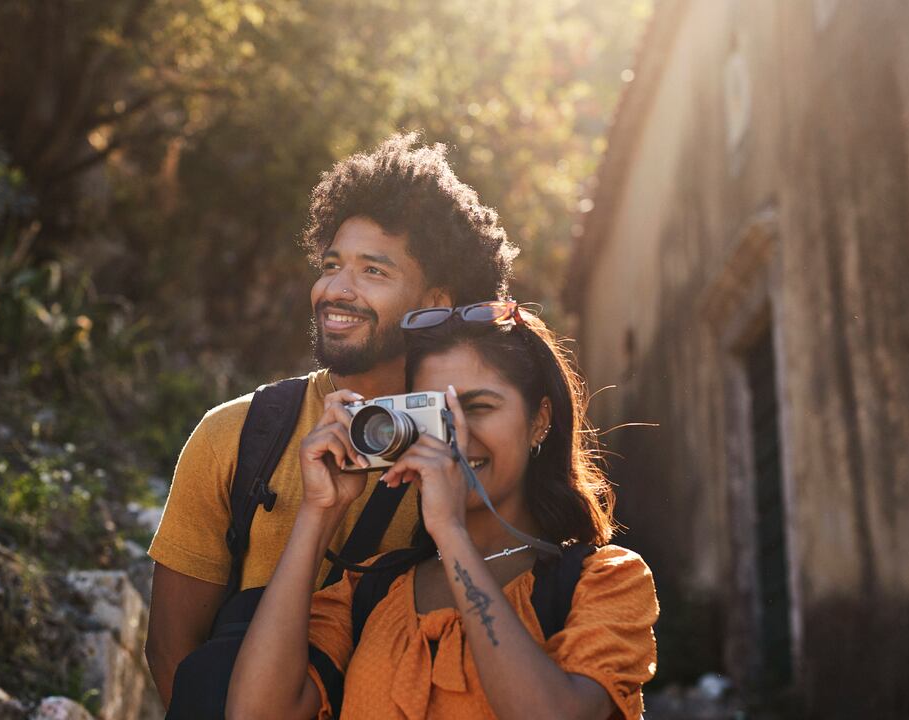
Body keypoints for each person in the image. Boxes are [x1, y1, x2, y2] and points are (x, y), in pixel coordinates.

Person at [145, 133, 520, 707]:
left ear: (437, 303)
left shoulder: (477, 451)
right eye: (331, 265)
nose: (334, 290)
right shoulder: (236, 436)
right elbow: (172, 653)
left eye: (373, 271)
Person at [228, 302, 659, 719]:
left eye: (477, 408)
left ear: (539, 421)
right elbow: (254, 713)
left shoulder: (606, 581)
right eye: (435, 416)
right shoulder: (369, 590)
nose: (454, 439)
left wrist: (450, 531)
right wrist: (319, 511)